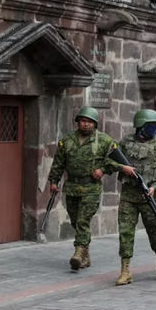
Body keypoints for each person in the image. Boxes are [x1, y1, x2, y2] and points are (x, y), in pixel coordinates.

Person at [48, 106, 118, 271]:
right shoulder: (67, 140)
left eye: (89, 122)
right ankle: (85, 255)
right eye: (83, 121)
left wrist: (103, 170)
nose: (85, 124)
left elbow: (117, 160)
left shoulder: (105, 141)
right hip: (72, 186)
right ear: (78, 122)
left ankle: (78, 253)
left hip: (91, 188)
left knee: (82, 221)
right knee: (75, 221)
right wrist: (54, 181)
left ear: (95, 124)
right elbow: (58, 163)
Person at [115, 109, 156, 285]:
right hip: (129, 195)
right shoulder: (125, 142)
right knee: (125, 232)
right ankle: (125, 270)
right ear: (140, 126)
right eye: (150, 125)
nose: (154, 128)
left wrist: (155, 186)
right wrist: (123, 168)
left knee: (155, 232)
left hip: (151, 197)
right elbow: (110, 161)